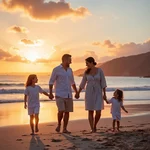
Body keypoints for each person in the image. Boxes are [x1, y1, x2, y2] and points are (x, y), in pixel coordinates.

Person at [76, 57, 107, 133]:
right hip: (89, 92)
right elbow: (83, 83)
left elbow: (103, 82)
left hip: (98, 92)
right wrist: (78, 92)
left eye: (87, 63)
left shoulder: (100, 71)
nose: (86, 65)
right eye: (86, 64)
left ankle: (95, 125)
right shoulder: (86, 72)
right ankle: (92, 128)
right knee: (90, 111)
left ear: (92, 62)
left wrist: (104, 94)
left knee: (98, 112)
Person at [49, 54, 78, 133]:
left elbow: (72, 82)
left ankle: (65, 128)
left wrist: (76, 92)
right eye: (69, 60)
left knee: (67, 112)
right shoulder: (56, 69)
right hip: (59, 94)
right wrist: (51, 93)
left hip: (68, 94)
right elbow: (51, 81)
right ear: (65, 60)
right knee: (61, 110)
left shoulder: (70, 70)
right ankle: (59, 124)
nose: (71, 61)